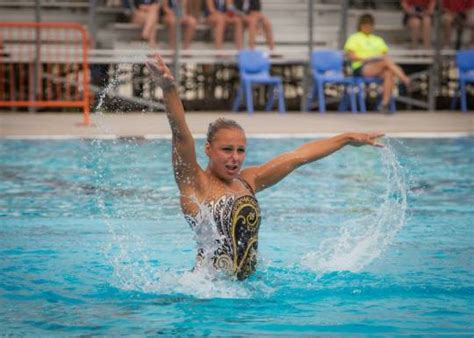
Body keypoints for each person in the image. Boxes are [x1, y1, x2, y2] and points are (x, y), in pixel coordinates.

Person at [145, 53, 385, 280]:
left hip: (247, 290)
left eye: (241, 150)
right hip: (205, 289)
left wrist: (344, 139)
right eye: (227, 150)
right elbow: (180, 134)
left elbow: (297, 157)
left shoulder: (247, 181)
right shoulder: (195, 184)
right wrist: (168, 88)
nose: (235, 158)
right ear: (208, 149)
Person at [344, 13, 411, 113]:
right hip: (361, 67)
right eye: (365, 25)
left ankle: (384, 104)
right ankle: (405, 79)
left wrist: (375, 58)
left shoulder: (378, 39)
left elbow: (384, 55)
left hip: (377, 66)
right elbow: (351, 56)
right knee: (386, 62)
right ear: (360, 25)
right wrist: (366, 58)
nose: (367, 27)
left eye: (370, 25)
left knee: (389, 72)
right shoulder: (354, 38)